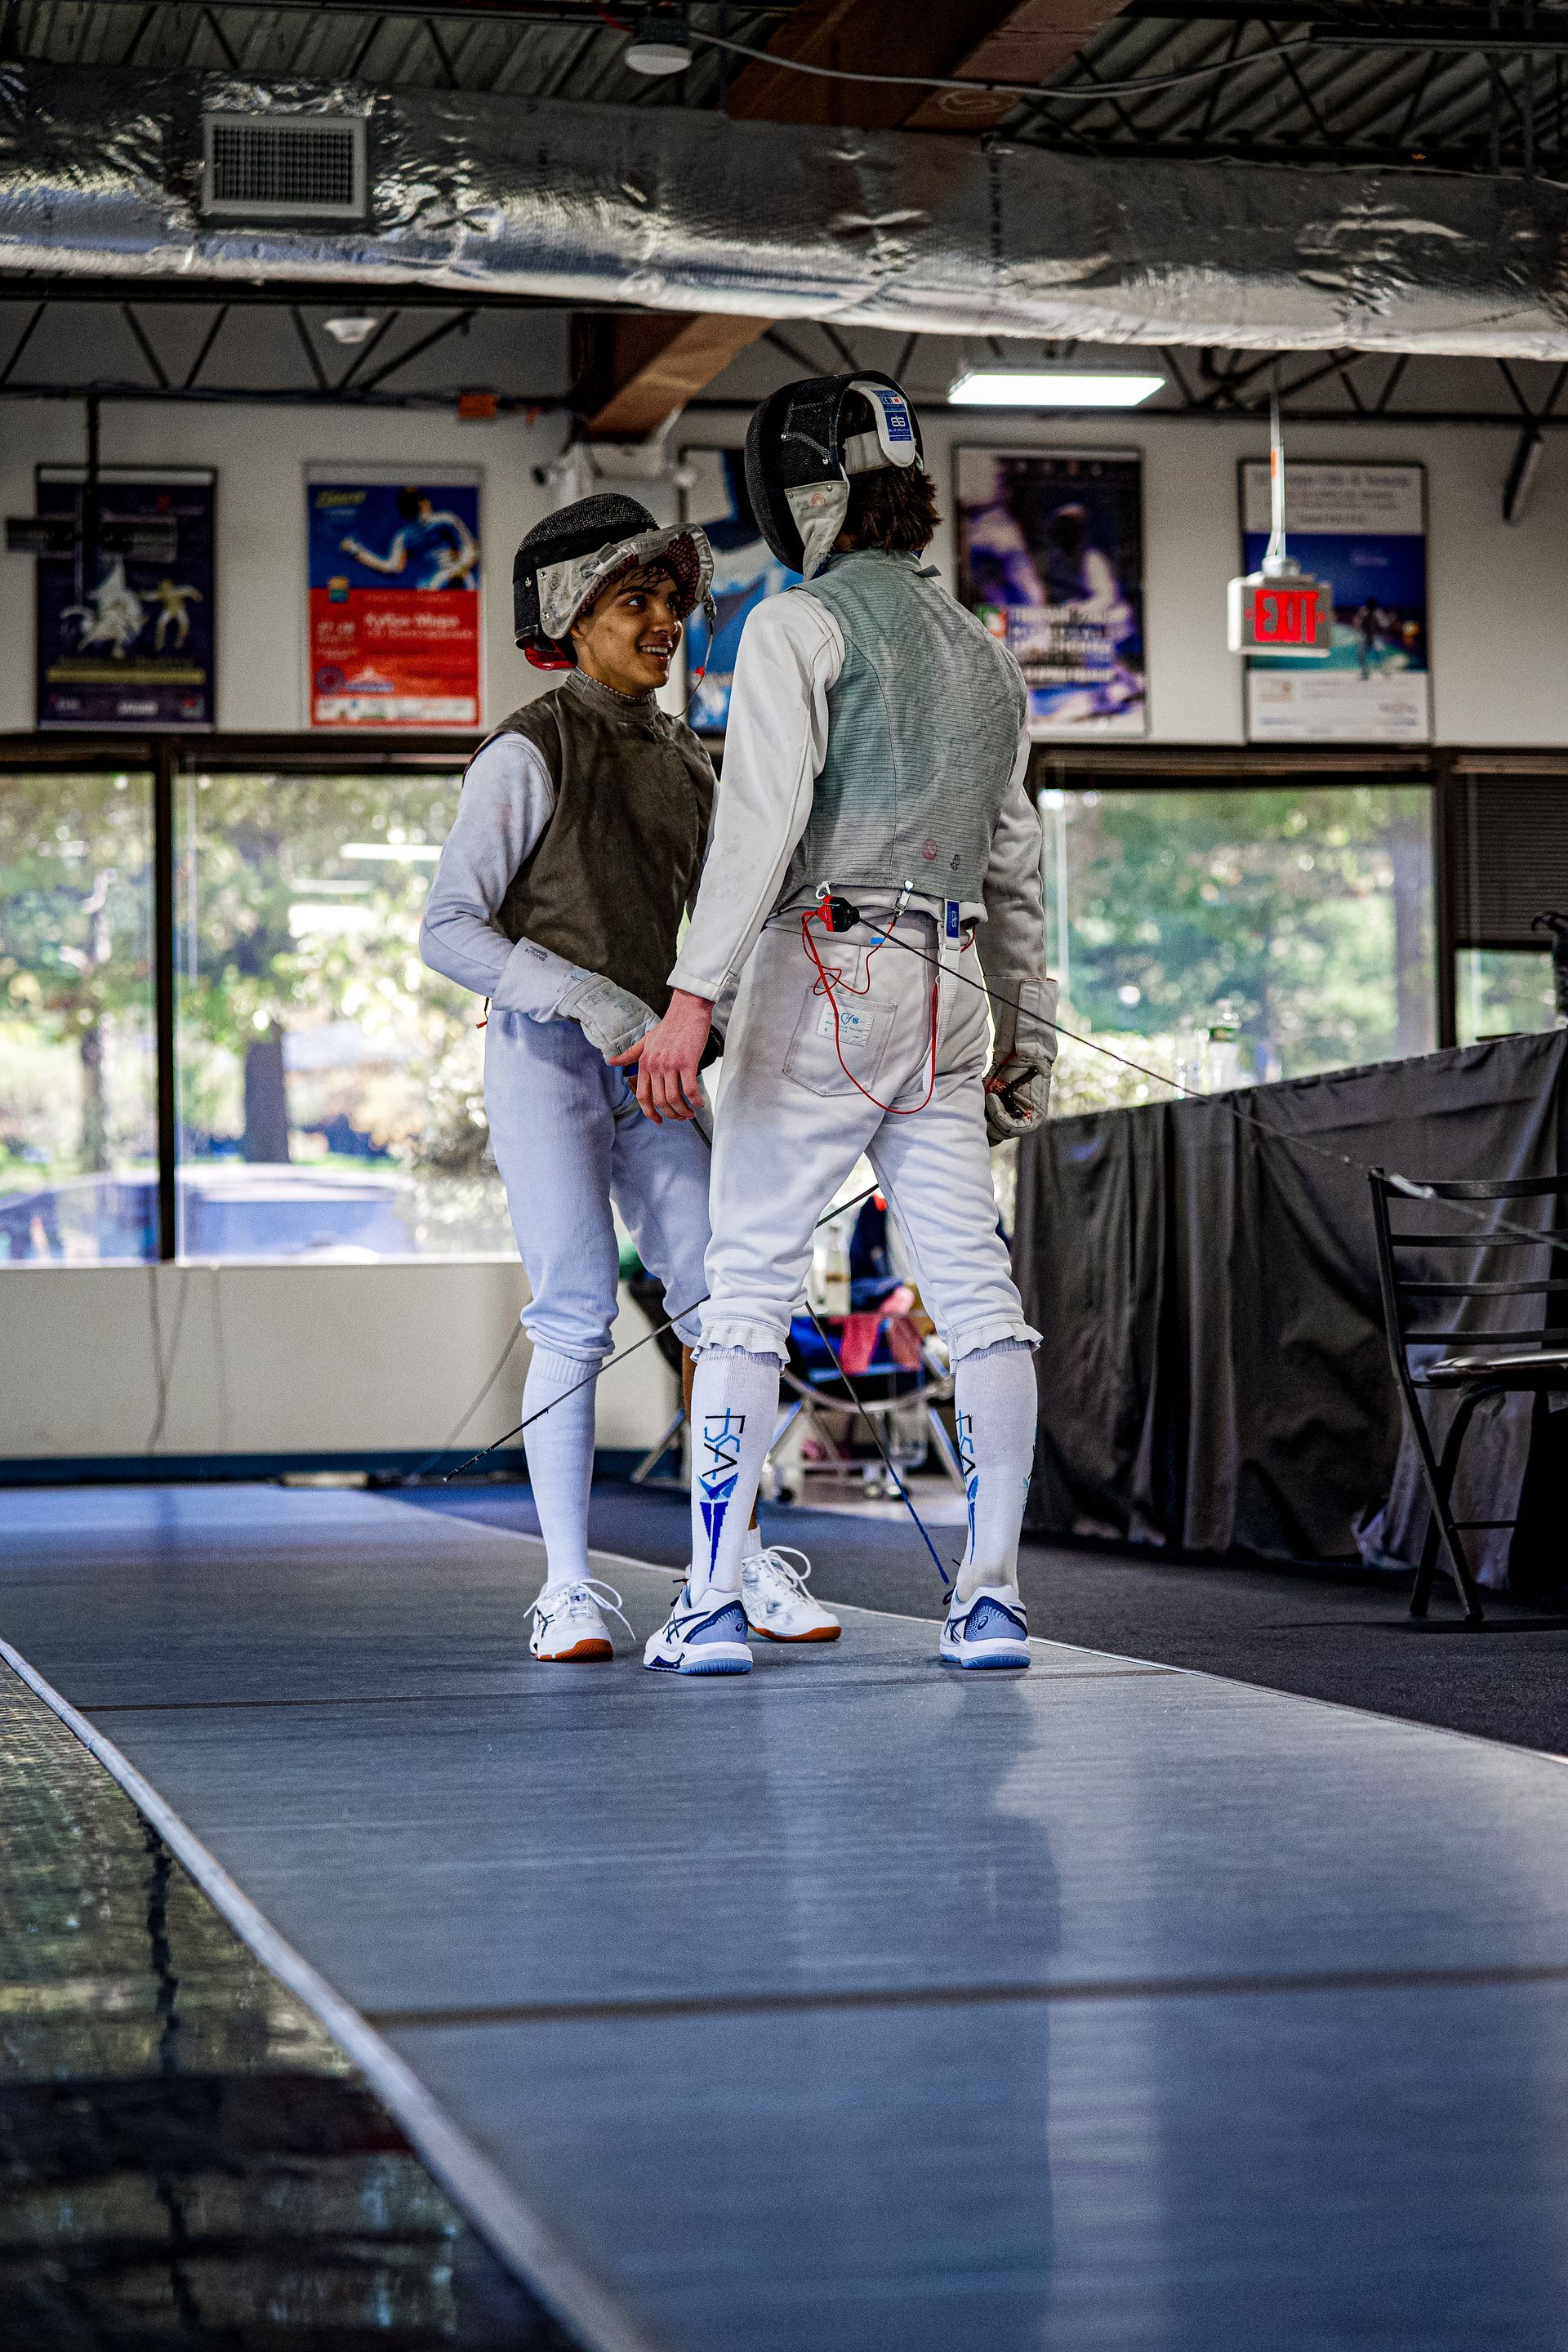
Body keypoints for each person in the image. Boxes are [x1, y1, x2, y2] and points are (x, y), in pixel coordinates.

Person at [614, 373, 1058, 1677]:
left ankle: (706, 1607)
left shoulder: (796, 625)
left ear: (803, 493)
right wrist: (1029, 1034)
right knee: (978, 1301)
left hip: (821, 970)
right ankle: (989, 1604)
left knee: (746, 1290)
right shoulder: (987, 652)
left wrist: (691, 1000)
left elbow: (756, 828)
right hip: (954, 984)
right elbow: (1021, 866)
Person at [420, 492, 839, 1662]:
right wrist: (592, 999)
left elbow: (744, 917)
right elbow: (448, 930)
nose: (663, 621)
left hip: (656, 1074)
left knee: (726, 1299)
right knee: (573, 1310)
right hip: (548, 1061)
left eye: (668, 600)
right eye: (633, 601)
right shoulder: (525, 747)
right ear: (571, 613)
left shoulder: (681, 756)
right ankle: (564, 1588)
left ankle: (731, 1559)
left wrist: (742, 1035)